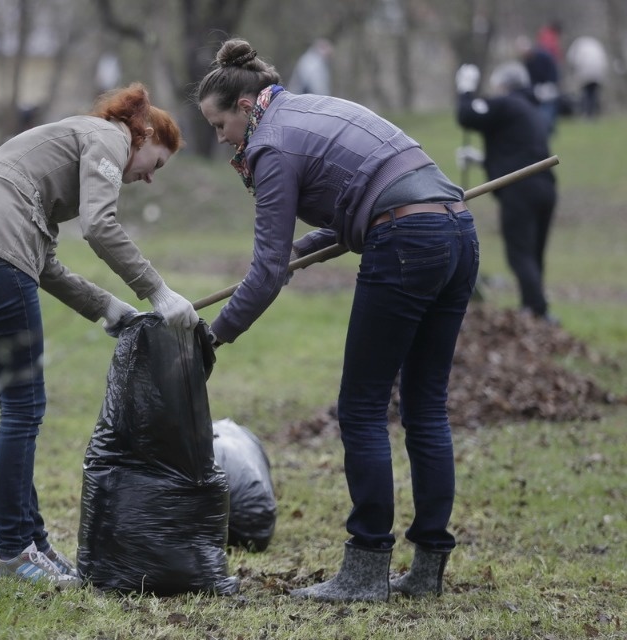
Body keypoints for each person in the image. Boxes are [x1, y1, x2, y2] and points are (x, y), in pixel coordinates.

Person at [194, 38, 478, 602]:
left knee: (362, 408)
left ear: (246, 106)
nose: (220, 137)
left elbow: (267, 270)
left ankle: (367, 566)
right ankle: (427, 570)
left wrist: (214, 336)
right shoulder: (310, 109)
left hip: (404, 237)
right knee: (424, 407)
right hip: (455, 228)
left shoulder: (270, 145)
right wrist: (300, 249)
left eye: (218, 123)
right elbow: (360, 201)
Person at [0, 83, 198, 588]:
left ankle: (31, 544)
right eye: (156, 164)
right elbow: (100, 227)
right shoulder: (108, 136)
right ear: (142, 134)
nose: (148, 179)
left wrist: (109, 309)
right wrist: (158, 292)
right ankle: (12, 552)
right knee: (23, 408)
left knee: (17, 407)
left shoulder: (63, 152)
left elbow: (45, 263)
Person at [455, 62, 558, 323]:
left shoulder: (506, 103)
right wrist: (480, 159)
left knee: (520, 253)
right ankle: (535, 306)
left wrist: (465, 89)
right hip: (545, 186)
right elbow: (516, 150)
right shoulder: (530, 109)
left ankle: (536, 311)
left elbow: (468, 116)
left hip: (521, 189)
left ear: (503, 85)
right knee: (534, 253)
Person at [516, 35, 561, 135]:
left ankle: (548, 129)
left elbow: (552, 71)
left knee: (548, 109)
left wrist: (550, 85)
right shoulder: (526, 62)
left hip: (549, 85)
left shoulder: (543, 56)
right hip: (536, 89)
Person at [566, 35, 609, 119]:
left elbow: (572, 59)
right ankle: (593, 113)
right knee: (593, 93)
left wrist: (574, 71)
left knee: (586, 93)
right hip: (598, 72)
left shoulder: (578, 45)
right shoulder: (595, 44)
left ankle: (586, 113)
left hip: (586, 72)